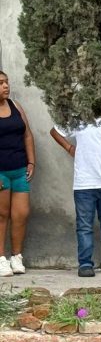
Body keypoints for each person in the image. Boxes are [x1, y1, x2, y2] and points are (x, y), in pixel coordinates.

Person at [50, 118, 101, 277]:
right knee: (84, 226)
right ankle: (85, 264)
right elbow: (55, 131)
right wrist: (69, 147)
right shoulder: (78, 117)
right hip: (84, 184)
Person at [0, 71, 35, 277]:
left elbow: (27, 135)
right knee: (2, 215)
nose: (6, 86)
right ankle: (1, 259)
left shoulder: (16, 107)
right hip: (0, 172)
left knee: (21, 214)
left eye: (7, 82)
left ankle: (16, 257)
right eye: (1, 83)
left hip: (19, 170)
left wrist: (31, 161)